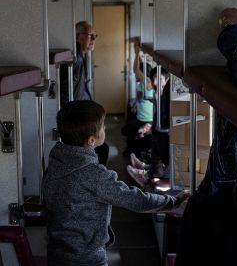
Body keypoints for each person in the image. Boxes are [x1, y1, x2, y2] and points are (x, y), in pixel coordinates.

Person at [43, 100, 188, 266]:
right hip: (86, 257)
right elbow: (134, 199)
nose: (105, 129)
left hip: (57, 253)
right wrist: (173, 202)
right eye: (103, 127)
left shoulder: (56, 160)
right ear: (91, 141)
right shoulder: (94, 175)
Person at [59, 21, 109, 166]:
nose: (93, 39)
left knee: (102, 146)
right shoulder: (75, 60)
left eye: (95, 36)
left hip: (81, 115)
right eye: (89, 35)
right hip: (77, 119)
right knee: (102, 148)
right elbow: (66, 92)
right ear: (77, 37)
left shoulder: (82, 56)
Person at [121, 40, 154, 157]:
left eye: (139, 73)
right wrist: (139, 54)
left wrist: (136, 53)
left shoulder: (148, 83)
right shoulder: (143, 83)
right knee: (128, 124)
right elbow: (141, 67)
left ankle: (131, 151)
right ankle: (130, 150)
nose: (136, 75)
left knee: (127, 130)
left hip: (146, 119)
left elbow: (136, 70)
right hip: (141, 115)